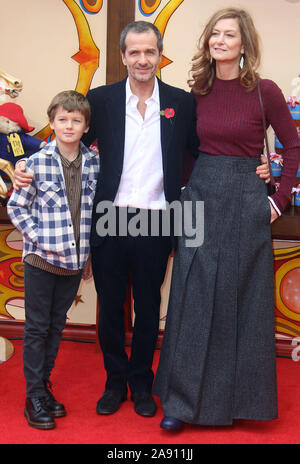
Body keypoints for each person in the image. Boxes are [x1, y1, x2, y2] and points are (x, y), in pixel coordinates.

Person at [13, 21, 269, 419]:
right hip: (110, 219)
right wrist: (25, 168)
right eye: (134, 52)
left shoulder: (182, 103)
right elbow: (68, 140)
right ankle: (114, 382)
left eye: (150, 52)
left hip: (157, 219)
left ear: (160, 54)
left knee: (149, 307)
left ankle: (142, 383)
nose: (142, 59)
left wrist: (259, 165)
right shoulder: (101, 100)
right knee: (111, 308)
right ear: (123, 57)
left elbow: (208, 150)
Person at [153, 7, 300, 431]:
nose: (220, 40)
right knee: (191, 297)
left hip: (246, 200)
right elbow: (182, 149)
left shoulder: (264, 91)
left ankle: (241, 403)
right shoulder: (195, 91)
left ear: (243, 43)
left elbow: (292, 146)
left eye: (229, 35)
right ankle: (181, 404)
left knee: (243, 300)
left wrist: (278, 199)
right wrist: (181, 193)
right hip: (200, 196)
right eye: (214, 34)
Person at [7, 90, 100, 430]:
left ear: (86, 126)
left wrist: (87, 253)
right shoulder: (34, 163)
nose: (69, 125)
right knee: (37, 328)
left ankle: (43, 387)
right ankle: (33, 395)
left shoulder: (93, 163)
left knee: (56, 325)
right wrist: (39, 238)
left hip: (74, 262)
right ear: (52, 123)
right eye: (63, 119)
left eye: (76, 120)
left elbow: (92, 211)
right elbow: (17, 207)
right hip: (41, 260)